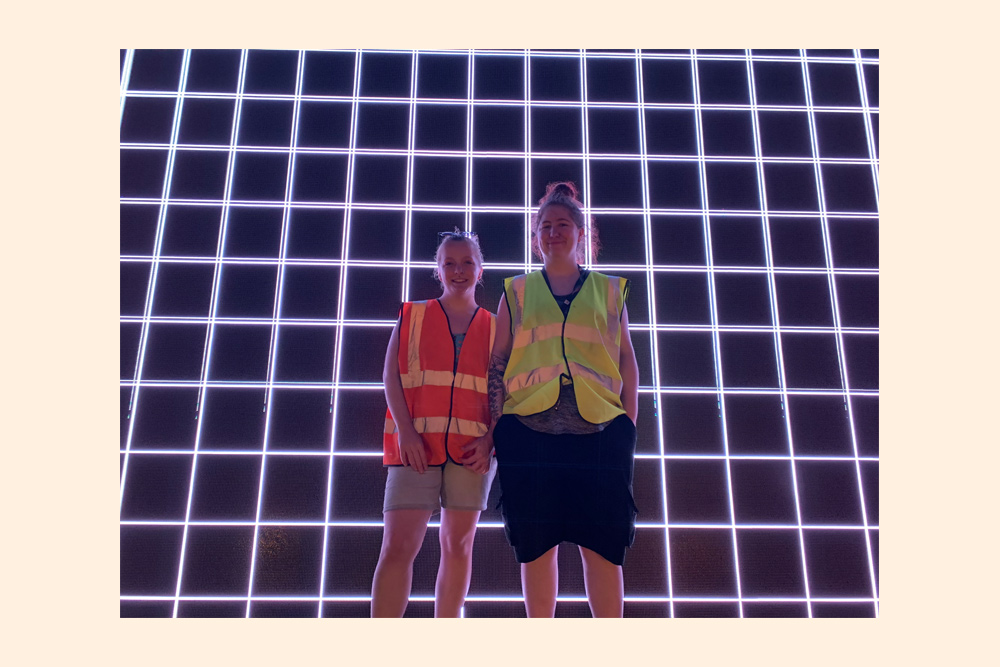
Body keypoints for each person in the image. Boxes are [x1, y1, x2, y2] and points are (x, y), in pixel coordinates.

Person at [463, 182, 639, 618]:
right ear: (536, 236)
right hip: (529, 434)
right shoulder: (517, 292)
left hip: (599, 433)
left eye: (563, 224)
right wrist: (499, 426)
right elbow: (498, 363)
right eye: (545, 226)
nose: (553, 232)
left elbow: (627, 360)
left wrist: (627, 426)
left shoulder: (610, 290)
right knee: (536, 547)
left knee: (602, 548)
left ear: (582, 234)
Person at [371, 230, 497, 618]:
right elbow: (390, 376)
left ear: (480, 270)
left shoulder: (497, 326)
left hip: (471, 452)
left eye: (467, 263)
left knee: (458, 545)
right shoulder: (413, 315)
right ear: (437, 271)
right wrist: (407, 432)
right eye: (449, 263)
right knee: (397, 546)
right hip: (414, 450)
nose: (458, 270)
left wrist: (491, 441)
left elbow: (506, 391)